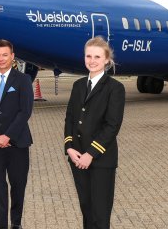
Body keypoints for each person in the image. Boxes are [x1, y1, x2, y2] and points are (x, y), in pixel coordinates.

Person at [64, 37, 125, 229]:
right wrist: (69, 148)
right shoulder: (78, 85)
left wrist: (90, 154)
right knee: (87, 210)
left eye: (97, 56)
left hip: (100, 160)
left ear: (107, 59)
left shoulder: (115, 88)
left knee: (100, 214)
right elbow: (70, 119)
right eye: (88, 56)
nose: (92, 60)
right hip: (77, 158)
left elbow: (112, 126)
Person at [0, 39, 33, 229]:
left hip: (18, 143)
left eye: (4, 55)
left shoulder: (23, 80)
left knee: (18, 186)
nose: (0, 59)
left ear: (12, 56)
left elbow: (25, 111)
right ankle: (0, 223)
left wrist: (7, 136)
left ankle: (16, 223)